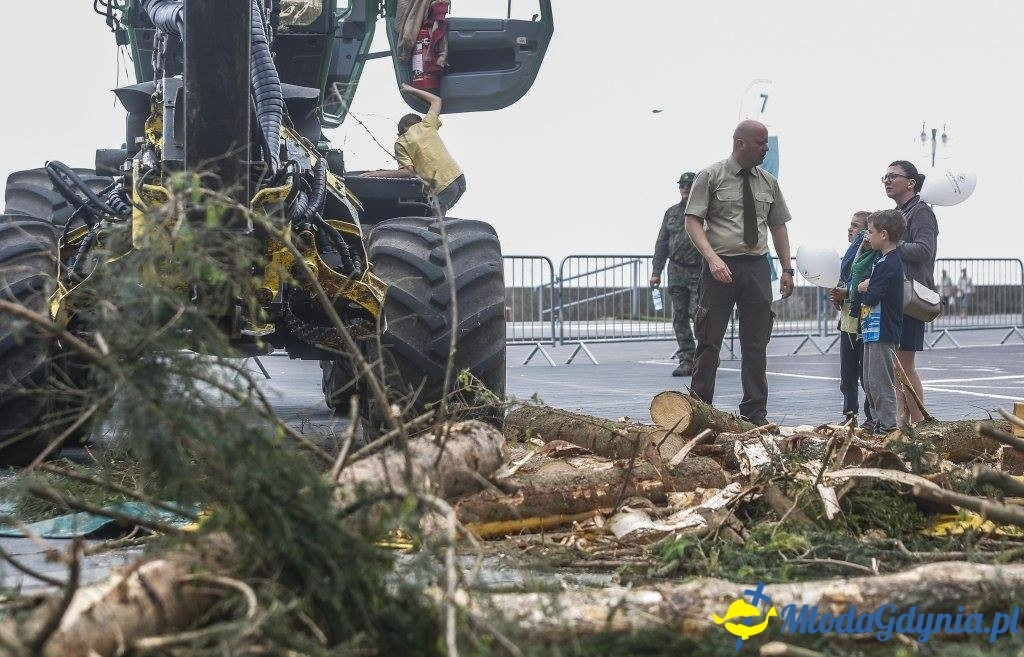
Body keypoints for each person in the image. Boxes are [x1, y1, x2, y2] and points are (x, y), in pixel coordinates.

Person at [684, 120, 794, 426]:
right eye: (761, 143)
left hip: (757, 267)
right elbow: (692, 221)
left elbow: (778, 225)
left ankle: (755, 415)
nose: (766, 148)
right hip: (720, 266)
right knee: (708, 342)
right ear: (740, 143)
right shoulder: (711, 176)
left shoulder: (768, 182)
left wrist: (787, 269)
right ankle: (699, 411)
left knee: (756, 344)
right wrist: (712, 258)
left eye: (767, 144)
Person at [883, 160, 937, 426]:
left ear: (911, 183)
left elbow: (925, 250)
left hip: (911, 298)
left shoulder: (921, 212)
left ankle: (918, 421)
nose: (887, 181)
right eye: (884, 177)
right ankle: (903, 422)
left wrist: (892, 244)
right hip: (896, 296)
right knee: (897, 366)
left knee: (904, 364)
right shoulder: (898, 212)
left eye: (893, 176)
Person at [363, 84, 466, 215]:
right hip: (459, 179)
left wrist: (377, 175)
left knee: (430, 223)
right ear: (417, 122)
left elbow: (407, 173)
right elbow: (436, 100)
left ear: (400, 132)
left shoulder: (401, 142)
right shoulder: (426, 125)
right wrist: (411, 90)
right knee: (437, 216)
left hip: (442, 187)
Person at [856, 209, 907, 435]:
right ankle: (879, 421)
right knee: (868, 379)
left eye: (871, 231)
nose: (868, 236)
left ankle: (888, 425)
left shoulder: (889, 263)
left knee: (880, 380)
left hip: (883, 330)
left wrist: (862, 288)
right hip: (872, 329)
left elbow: (872, 296)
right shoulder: (883, 261)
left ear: (884, 234)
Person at [651, 172, 702, 377]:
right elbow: (662, 243)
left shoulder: (705, 212)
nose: (686, 188)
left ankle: (706, 357)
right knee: (679, 317)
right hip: (676, 270)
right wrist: (656, 272)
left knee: (698, 315)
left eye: (690, 184)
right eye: (683, 185)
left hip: (699, 270)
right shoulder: (671, 213)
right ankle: (687, 359)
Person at [831, 211, 874, 425]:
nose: (851, 229)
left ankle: (871, 416)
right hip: (848, 320)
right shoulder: (850, 254)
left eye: (856, 226)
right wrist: (838, 295)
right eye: (850, 224)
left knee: (866, 374)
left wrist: (847, 291)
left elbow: (866, 282)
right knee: (847, 374)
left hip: (864, 320)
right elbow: (846, 279)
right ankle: (849, 415)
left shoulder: (870, 254)